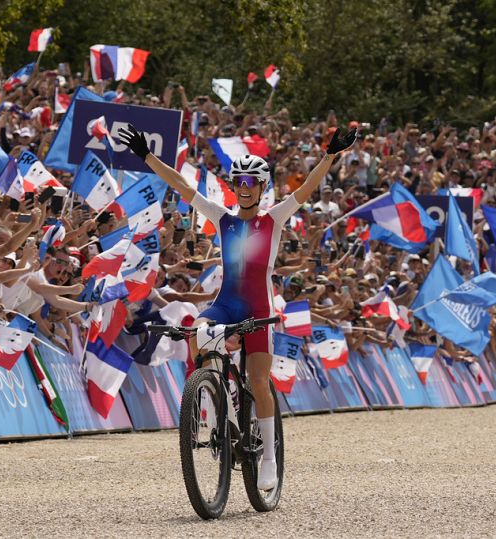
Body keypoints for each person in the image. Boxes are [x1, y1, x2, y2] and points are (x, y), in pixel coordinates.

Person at [119, 122, 356, 491]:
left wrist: (330, 155)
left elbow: (307, 188)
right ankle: (209, 396)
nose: (244, 189)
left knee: (259, 379)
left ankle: (269, 458)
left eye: (251, 183)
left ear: (262, 188)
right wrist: (146, 156)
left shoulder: (272, 219)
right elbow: (182, 186)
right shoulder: (223, 218)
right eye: (239, 183)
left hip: (258, 308)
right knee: (195, 330)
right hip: (226, 303)